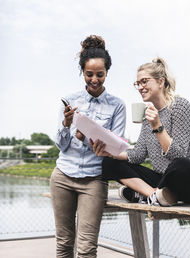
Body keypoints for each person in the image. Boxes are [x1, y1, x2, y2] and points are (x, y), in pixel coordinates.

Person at [91, 57, 190, 206]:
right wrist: (110, 152)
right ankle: (153, 195)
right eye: (138, 83)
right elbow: (138, 155)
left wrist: (157, 126)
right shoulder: (147, 114)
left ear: (160, 82)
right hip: (166, 183)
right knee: (110, 163)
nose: (140, 87)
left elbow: (179, 155)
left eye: (144, 81)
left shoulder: (180, 106)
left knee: (181, 164)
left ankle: (143, 194)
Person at [50, 35, 126, 257]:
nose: (94, 79)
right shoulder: (70, 101)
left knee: (86, 248)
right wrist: (66, 125)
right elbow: (62, 146)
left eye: (99, 75)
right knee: (64, 244)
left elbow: (117, 147)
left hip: (93, 180)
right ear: (82, 72)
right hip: (63, 176)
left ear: (106, 73)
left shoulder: (117, 106)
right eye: (89, 74)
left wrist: (96, 143)